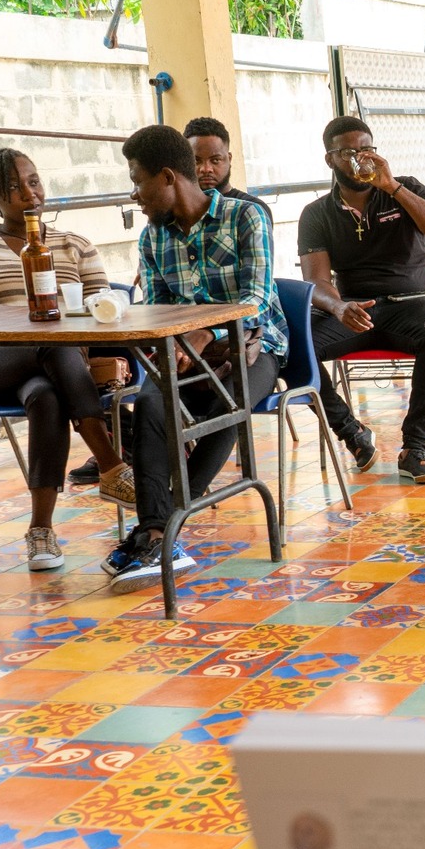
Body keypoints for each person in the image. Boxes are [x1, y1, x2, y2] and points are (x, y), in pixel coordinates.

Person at [108, 124, 286, 594]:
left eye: (138, 179)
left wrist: (206, 334)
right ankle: (157, 530)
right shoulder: (153, 238)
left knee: (232, 397)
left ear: (167, 177)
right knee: (149, 403)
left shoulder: (245, 217)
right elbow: (160, 308)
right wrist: (182, 346)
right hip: (185, 352)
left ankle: (158, 531)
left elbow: (256, 300)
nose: (134, 193)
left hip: (256, 346)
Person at [0, 148, 127, 572]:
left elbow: (109, 303)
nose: (29, 193)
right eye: (13, 187)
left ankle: (40, 531)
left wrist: (81, 317)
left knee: (47, 395)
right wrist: (47, 321)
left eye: (33, 181)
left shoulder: (75, 244)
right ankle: (110, 465)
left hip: (55, 368)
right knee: (52, 340)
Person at [298, 115, 425, 485]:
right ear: (330, 160)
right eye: (349, 152)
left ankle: (414, 450)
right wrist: (339, 306)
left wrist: (393, 188)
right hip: (356, 310)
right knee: (289, 345)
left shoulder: (406, 189)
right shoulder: (316, 214)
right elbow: (317, 281)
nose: (361, 158)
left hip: (415, 303)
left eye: (368, 149)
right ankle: (353, 434)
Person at [183, 117, 270, 220]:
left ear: (229, 159)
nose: (206, 169)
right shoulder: (177, 211)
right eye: (196, 161)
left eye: (215, 160)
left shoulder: (251, 210)